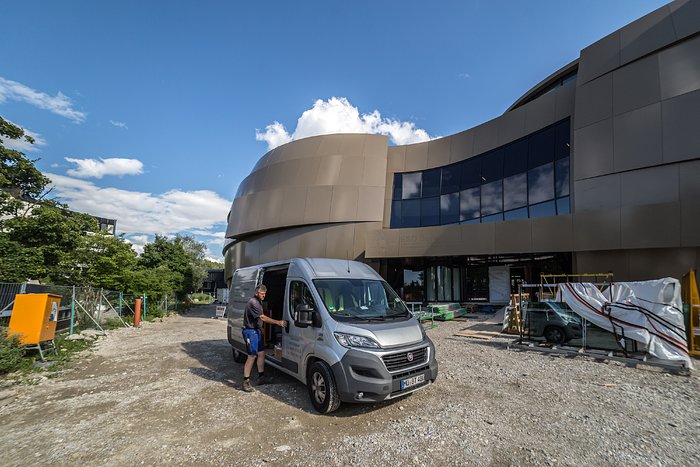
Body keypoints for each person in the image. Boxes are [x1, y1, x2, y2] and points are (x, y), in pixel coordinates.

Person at [241, 285, 287, 392]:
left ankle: (261, 377)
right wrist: (278, 322)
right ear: (257, 293)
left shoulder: (259, 301)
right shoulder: (253, 302)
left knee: (261, 353)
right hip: (250, 332)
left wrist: (260, 328)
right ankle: (245, 382)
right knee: (252, 356)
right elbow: (262, 317)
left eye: (265, 294)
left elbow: (257, 319)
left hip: (256, 330)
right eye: (262, 294)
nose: (264, 296)